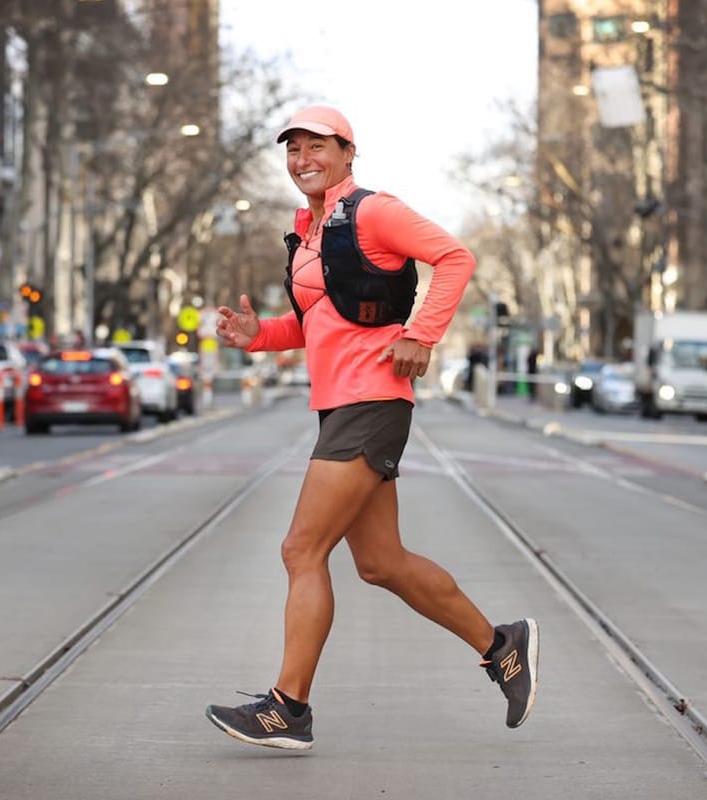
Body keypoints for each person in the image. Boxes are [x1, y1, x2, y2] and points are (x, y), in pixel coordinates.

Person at [205, 105, 538, 751]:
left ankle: (288, 709)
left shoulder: (374, 210)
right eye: (293, 150)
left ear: (347, 150)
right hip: (342, 403)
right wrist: (257, 336)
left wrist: (421, 333)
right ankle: (503, 648)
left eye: (316, 147)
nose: (303, 159)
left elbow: (456, 256)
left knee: (301, 550)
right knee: (382, 563)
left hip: (372, 401)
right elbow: (319, 325)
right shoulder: (309, 232)